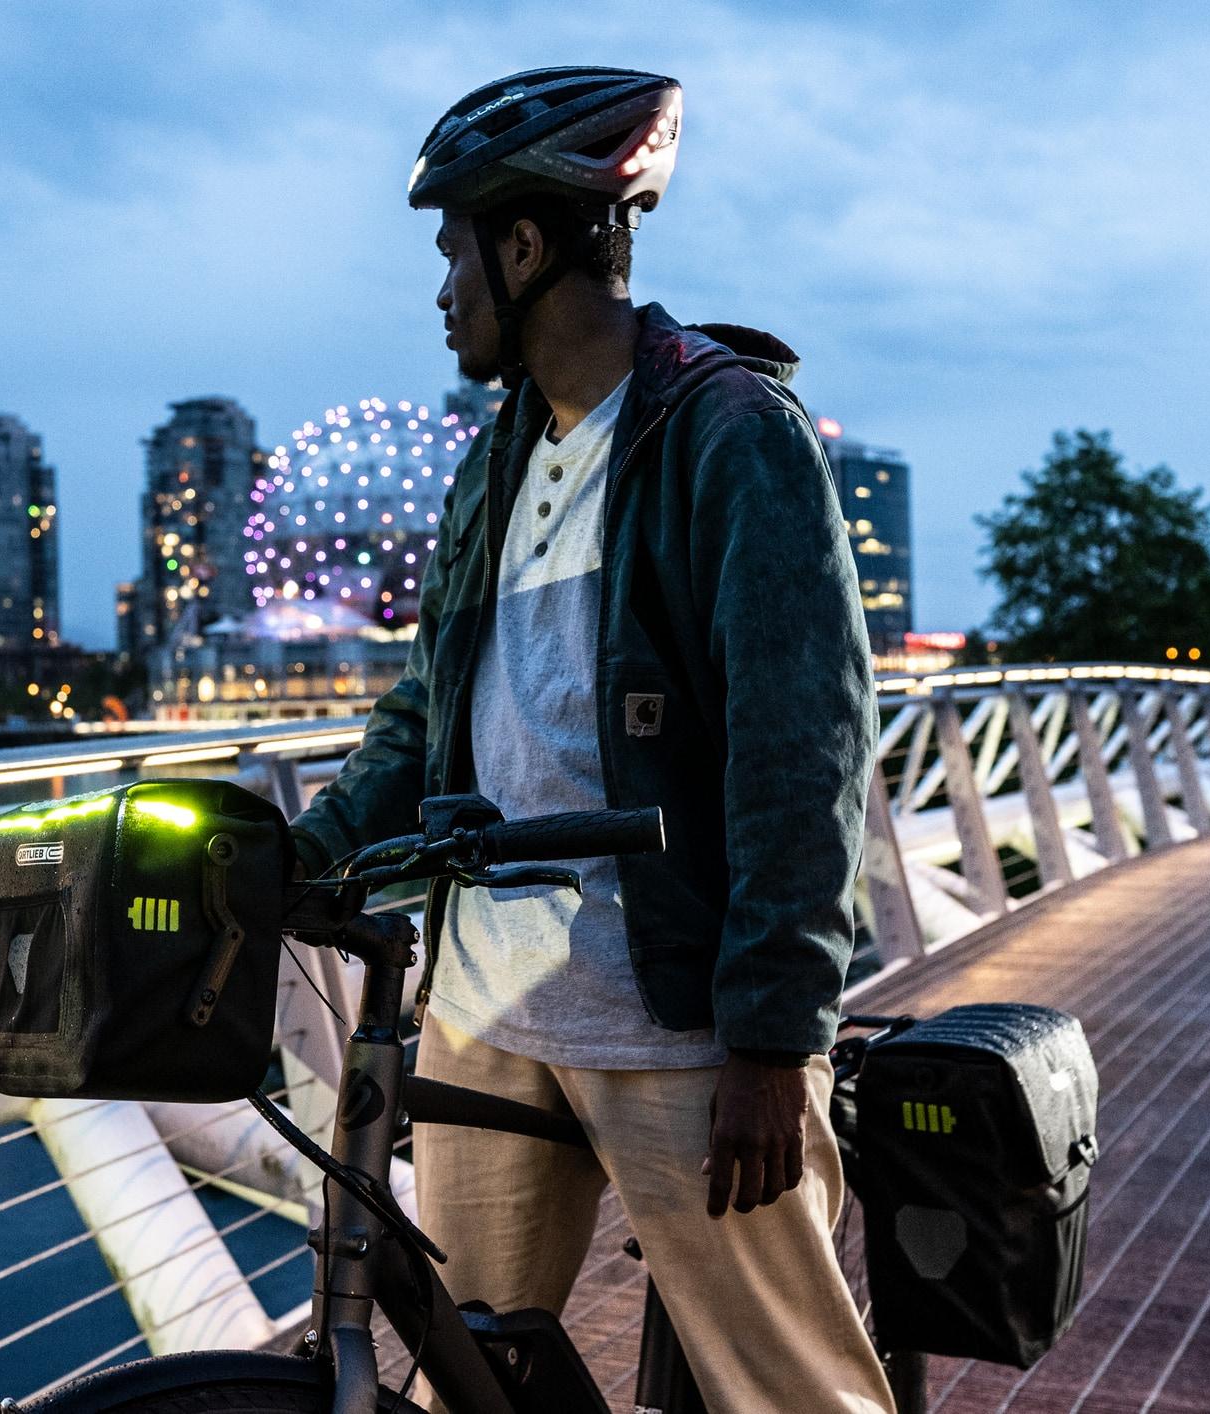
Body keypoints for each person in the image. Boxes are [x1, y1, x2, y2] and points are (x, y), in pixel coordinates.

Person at [288, 68, 896, 1412]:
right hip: (488, 1003)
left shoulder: (728, 435)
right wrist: (303, 852)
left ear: (525, 245)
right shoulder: (494, 457)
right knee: (470, 1379)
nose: (441, 286)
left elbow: (806, 749)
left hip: (677, 1016)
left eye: (454, 247)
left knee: (789, 1392)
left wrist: (771, 1035)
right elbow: (429, 713)